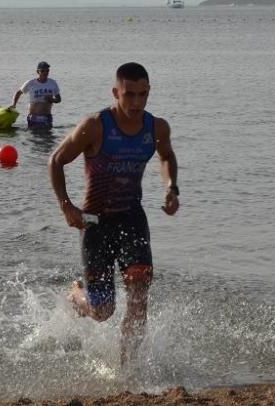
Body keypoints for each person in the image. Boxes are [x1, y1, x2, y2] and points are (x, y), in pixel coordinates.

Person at [48, 62, 179, 366]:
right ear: (116, 92)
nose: (136, 103)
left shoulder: (156, 127)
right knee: (102, 312)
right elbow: (56, 160)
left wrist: (171, 187)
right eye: (129, 95)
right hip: (96, 224)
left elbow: (167, 156)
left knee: (138, 292)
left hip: (132, 218)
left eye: (143, 95)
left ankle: (127, 372)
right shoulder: (95, 125)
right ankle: (76, 296)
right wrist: (66, 205)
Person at [11, 61, 61, 129]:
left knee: (48, 138)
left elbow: (59, 99)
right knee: (34, 138)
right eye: (43, 70)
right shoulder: (31, 83)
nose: (45, 72)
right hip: (33, 117)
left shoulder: (52, 83)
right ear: (38, 72)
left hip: (47, 117)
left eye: (47, 70)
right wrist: (14, 105)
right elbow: (18, 93)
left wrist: (52, 100)